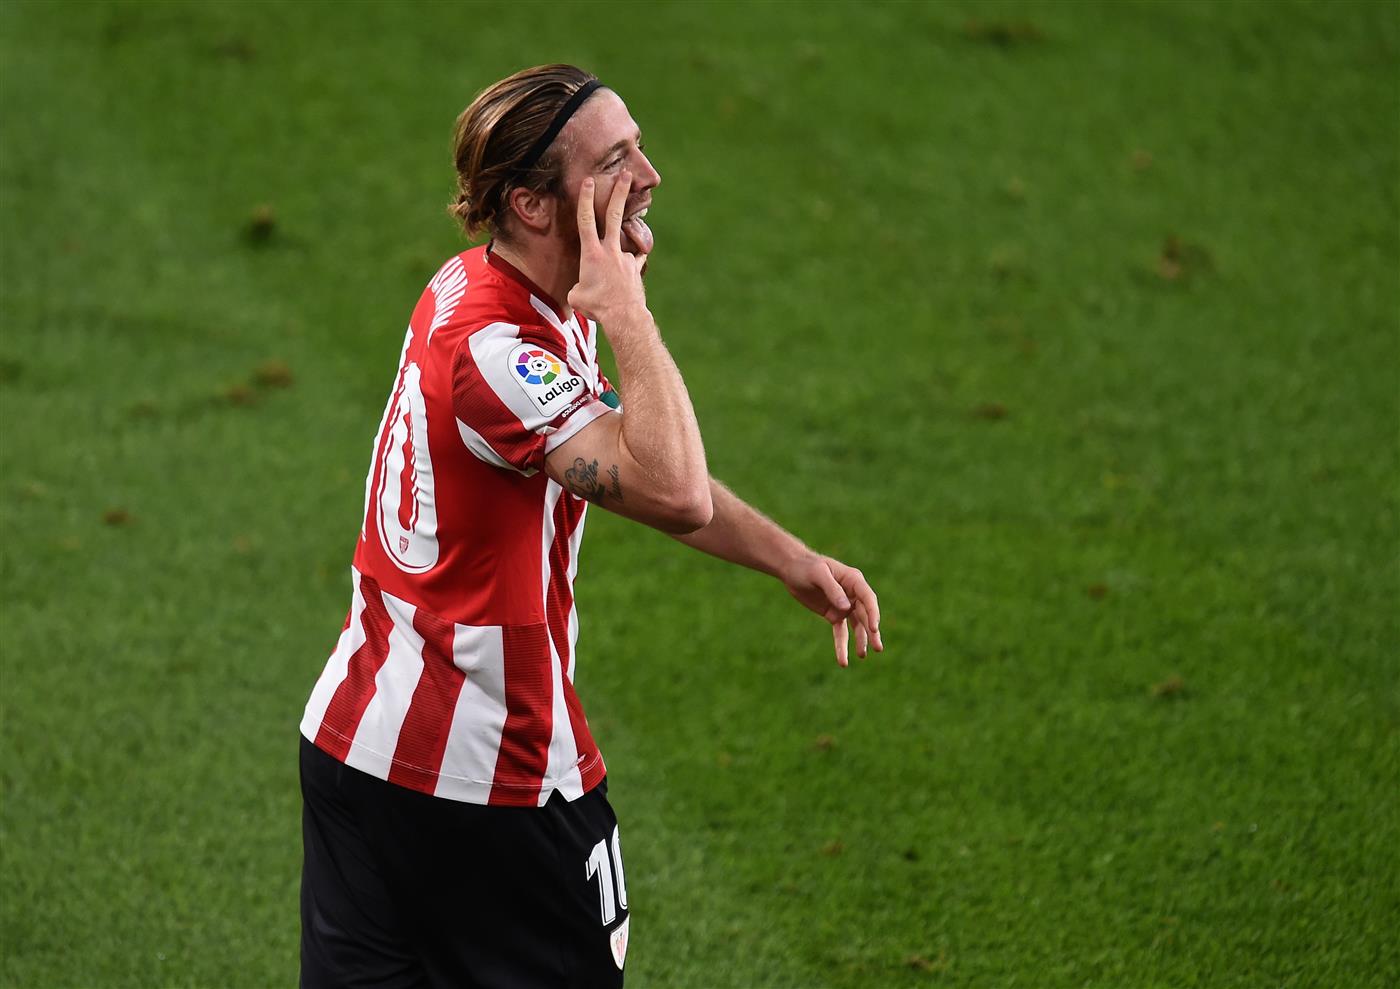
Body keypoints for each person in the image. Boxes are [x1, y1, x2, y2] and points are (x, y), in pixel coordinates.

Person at [297, 63, 883, 989]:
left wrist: (788, 558)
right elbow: (676, 490)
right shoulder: (501, 351)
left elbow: (634, 461)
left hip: (356, 747)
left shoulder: (485, 291)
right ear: (533, 202)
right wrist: (631, 314)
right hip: (485, 777)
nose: (650, 175)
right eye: (615, 161)